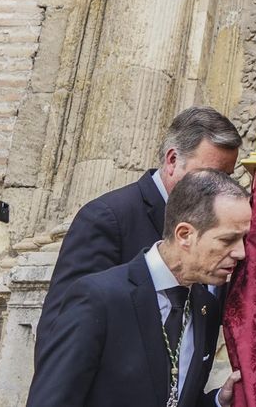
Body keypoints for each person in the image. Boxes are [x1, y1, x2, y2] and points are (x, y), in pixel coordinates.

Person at [26, 169, 250, 407]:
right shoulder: (98, 298)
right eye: (228, 240)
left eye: (244, 239)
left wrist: (218, 401)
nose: (241, 253)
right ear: (185, 234)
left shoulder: (206, 306)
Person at [37, 107, 241, 363]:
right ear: (172, 160)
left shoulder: (223, 231)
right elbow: (61, 334)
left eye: (228, 178)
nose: (220, 190)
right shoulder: (108, 218)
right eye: (210, 176)